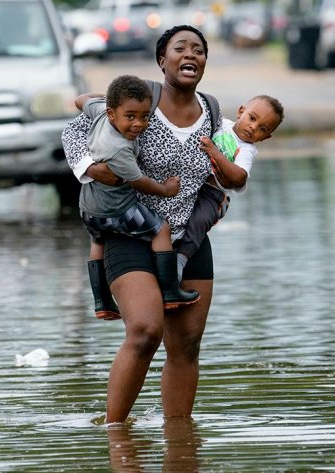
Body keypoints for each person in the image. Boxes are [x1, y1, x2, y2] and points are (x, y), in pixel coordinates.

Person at [61, 25, 218, 423]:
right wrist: (91, 169)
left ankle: (180, 442)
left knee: (186, 346)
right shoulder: (138, 96)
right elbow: (75, 127)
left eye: (198, 50)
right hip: (129, 232)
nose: (190, 55)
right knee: (146, 331)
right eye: (180, 48)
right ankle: (115, 433)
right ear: (161, 59)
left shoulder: (213, 110)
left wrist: (222, 196)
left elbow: (226, 166)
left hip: (187, 241)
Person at [75, 74, 200, 321]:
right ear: (112, 114)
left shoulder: (99, 110)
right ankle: (170, 291)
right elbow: (139, 182)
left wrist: (106, 99)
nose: (138, 124)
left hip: (88, 208)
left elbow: (80, 100)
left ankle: (102, 302)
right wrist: (166, 189)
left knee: (98, 242)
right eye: (130, 116)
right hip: (116, 210)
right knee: (160, 229)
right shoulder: (118, 147)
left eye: (144, 116)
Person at [175, 95, 284, 278]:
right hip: (192, 180)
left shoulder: (246, 150)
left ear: (266, 137)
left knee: (200, 220)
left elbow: (239, 178)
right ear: (241, 111)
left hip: (213, 193)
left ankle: (180, 260)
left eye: (262, 129)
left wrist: (215, 153)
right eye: (252, 118)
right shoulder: (220, 124)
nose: (253, 127)